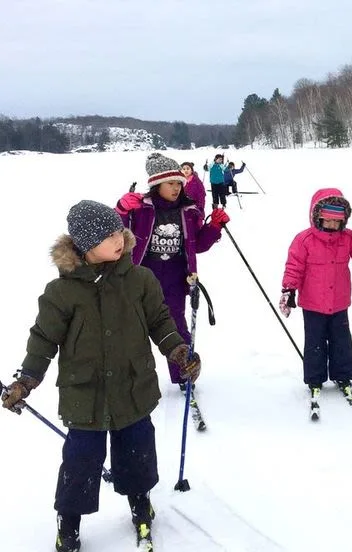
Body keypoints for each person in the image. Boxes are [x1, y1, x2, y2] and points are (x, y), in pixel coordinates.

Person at [0, 200, 200, 552]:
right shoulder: (61, 292)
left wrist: (177, 350)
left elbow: (160, 321)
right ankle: (69, 520)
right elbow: (43, 339)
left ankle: (140, 501)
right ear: (85, 245)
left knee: (138, 453)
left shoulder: (140, 279)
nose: (119, 240)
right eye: (108, 236)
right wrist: (26, 379)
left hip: (133, 387)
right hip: (84, 394)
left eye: (119, 231)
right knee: (80, 463)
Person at [115, 153, 229, 388]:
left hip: (176, 279)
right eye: (171, 183)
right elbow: (118, 235)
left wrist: (214, 227)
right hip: (141, 278)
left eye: (179, 183)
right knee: (135, 329)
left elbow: (198, 244)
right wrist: (122, 210)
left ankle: (183, 374)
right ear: (157, 184)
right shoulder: (141, 208)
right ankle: (133, 380)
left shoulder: (189, 211)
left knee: (175, 327)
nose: (176, 188)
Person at [280, 188, 352, 400]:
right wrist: (289, 289)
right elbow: (294, 266)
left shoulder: (347, 238)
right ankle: (315, 378)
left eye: (337, 221)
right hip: (313, 304)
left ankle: (342, 375)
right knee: (314, 341)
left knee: (341, 340)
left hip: (339, 302)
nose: (333, 225)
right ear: (317, 217)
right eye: (328, 220)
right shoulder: (304, 240)